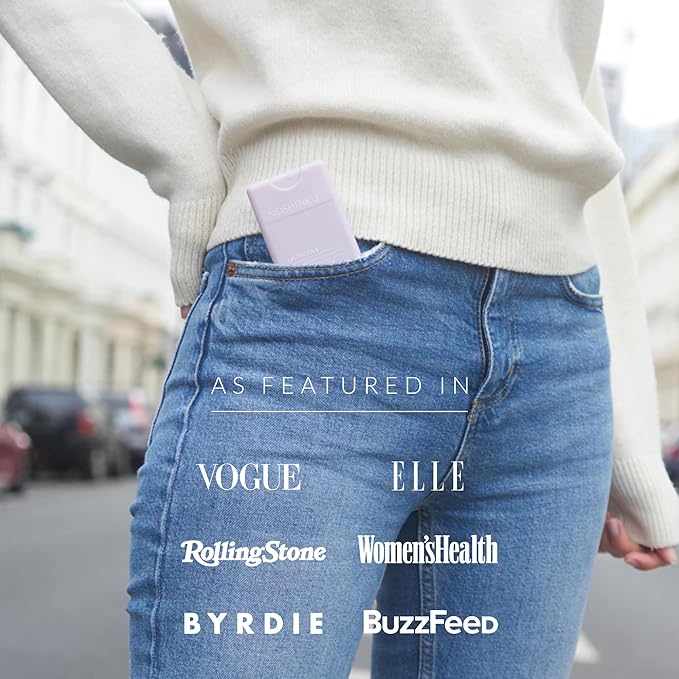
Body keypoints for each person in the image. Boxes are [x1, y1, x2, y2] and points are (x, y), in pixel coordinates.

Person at [2, 1, 678, 677]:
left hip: (556, 348)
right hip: (315, 299)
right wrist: (186, 157)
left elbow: (566, 85)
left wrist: (629, 445)